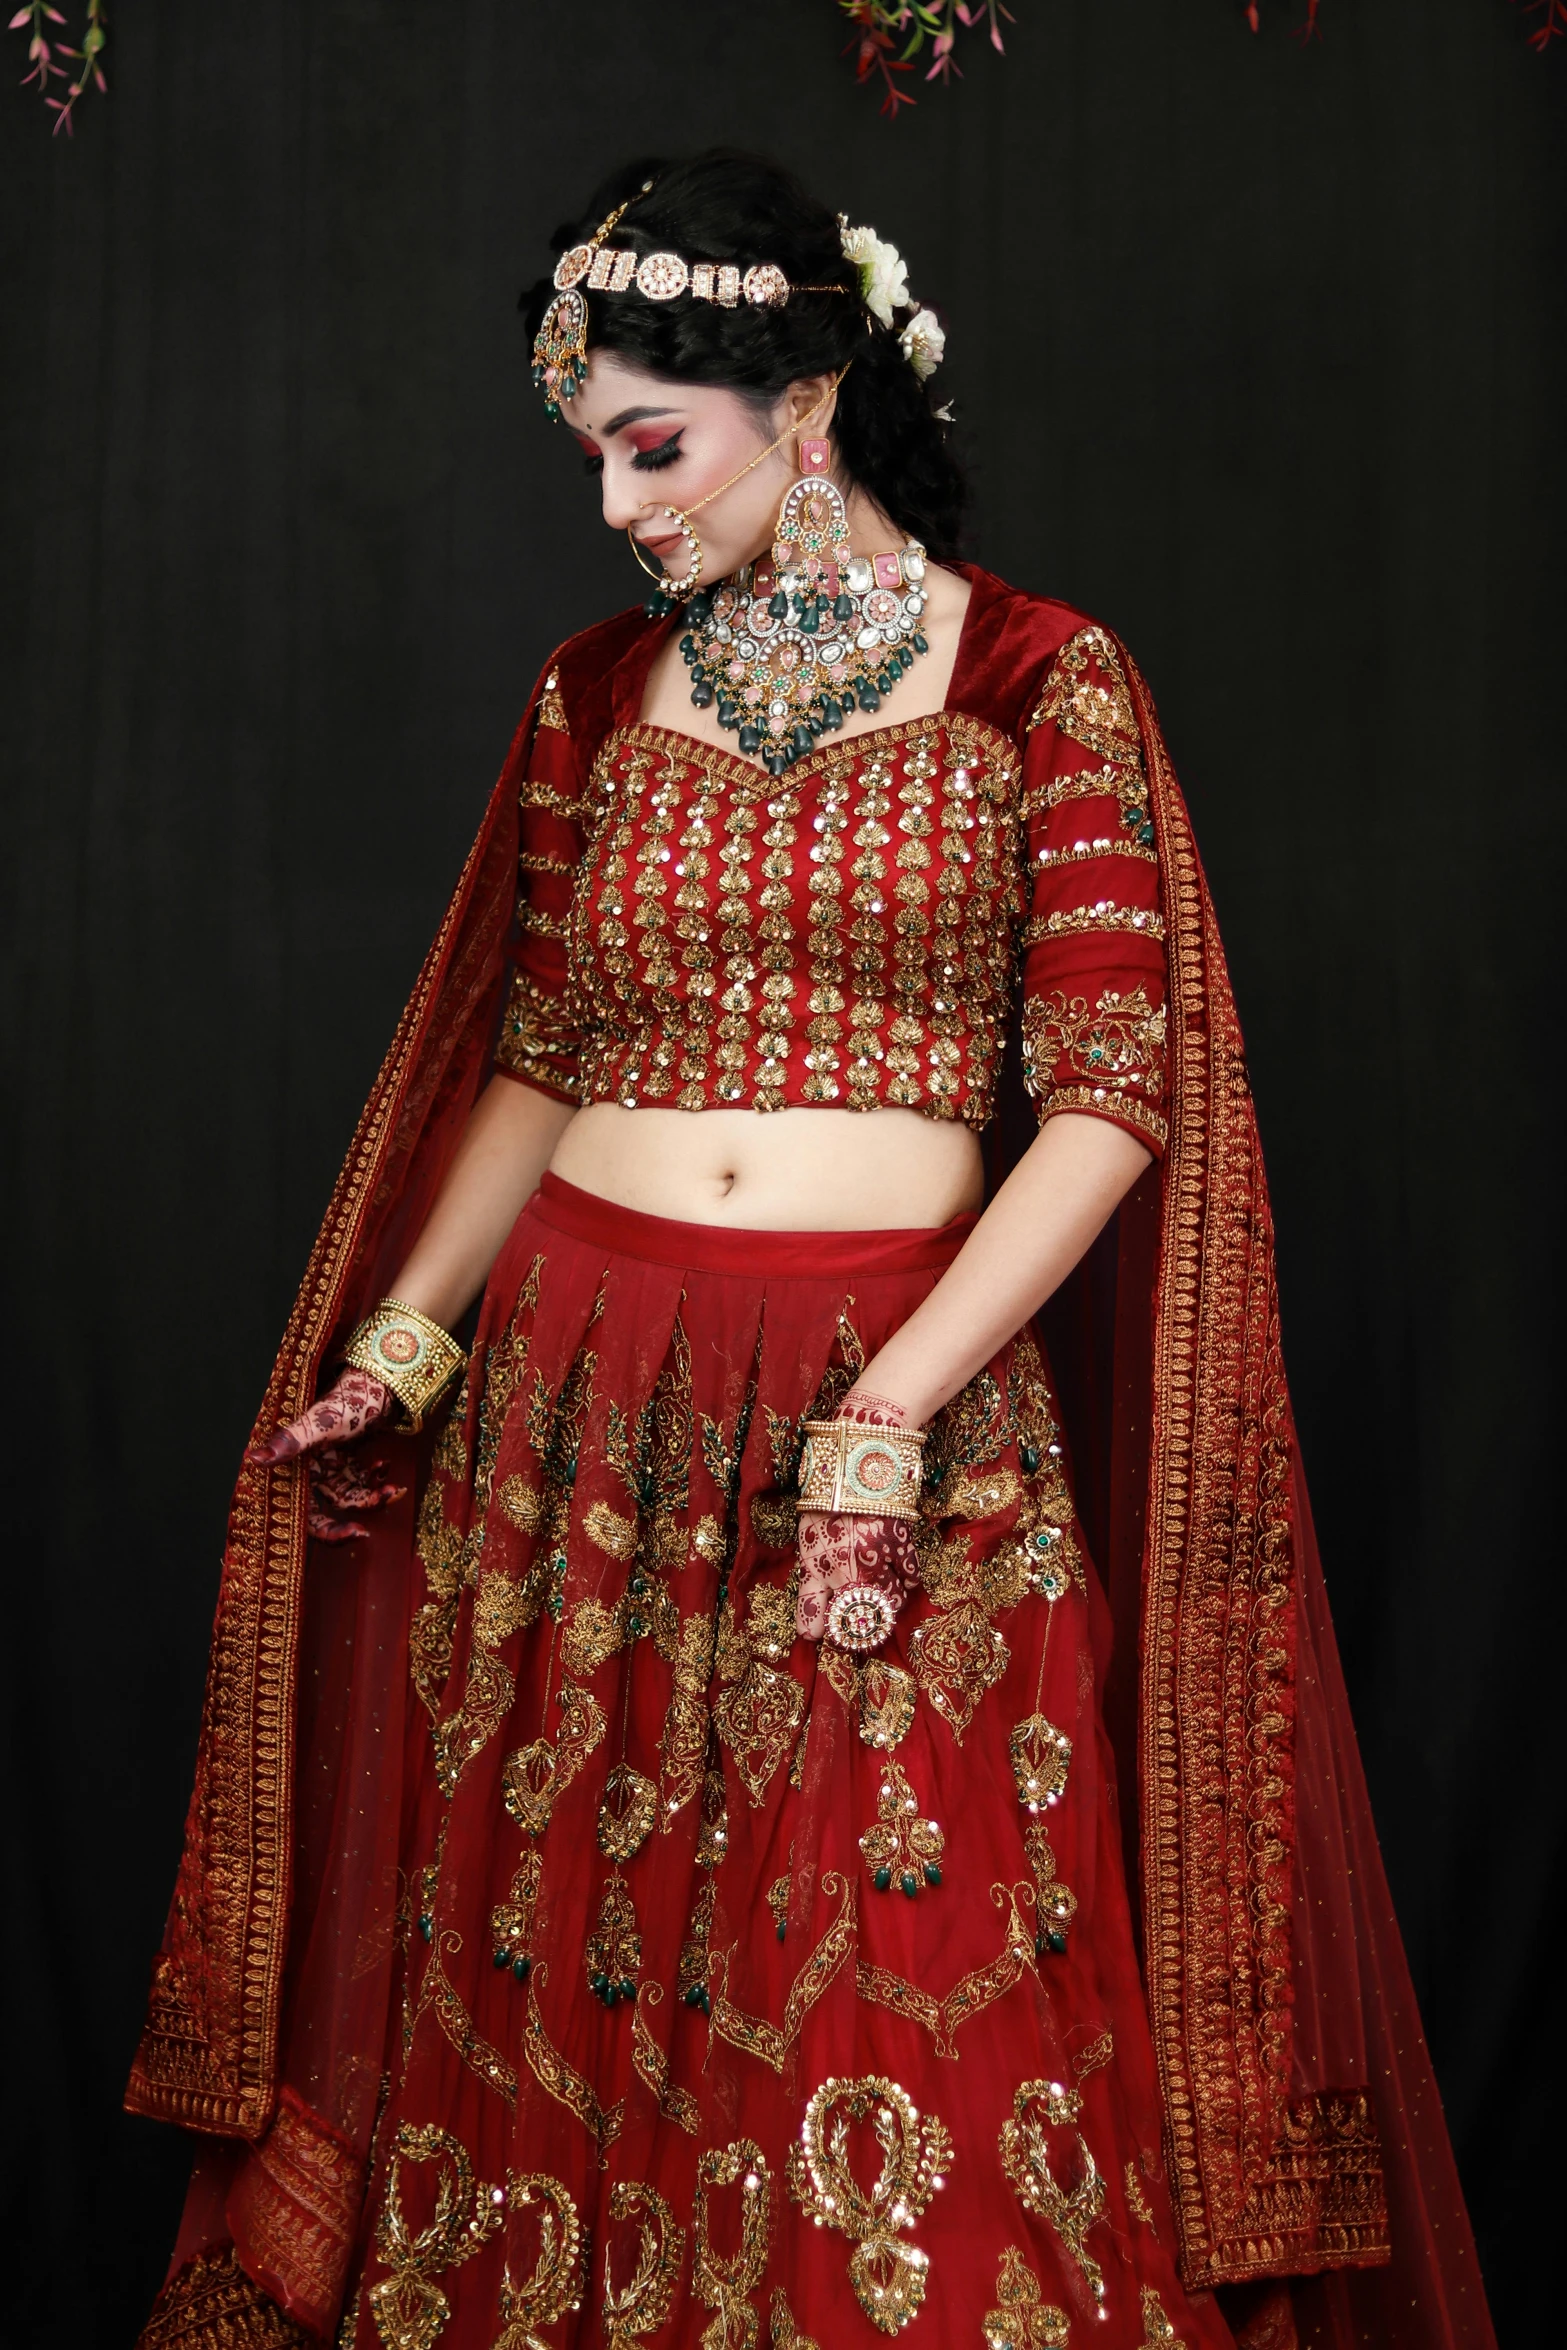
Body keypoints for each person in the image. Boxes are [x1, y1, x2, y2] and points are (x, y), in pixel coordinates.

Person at [129, 153, 1496, 2350]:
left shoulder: (1038, 680)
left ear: (817, 397)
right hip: (572, 1427)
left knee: (906, 2044)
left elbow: (1118, 1095)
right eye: (593, 461)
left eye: (652, 448)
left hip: (894, 1407)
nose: (615, 511)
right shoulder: (598, 698)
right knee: (581, 2017)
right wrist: (407, 1341)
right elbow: (546, 1056)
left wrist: (886, 1411)